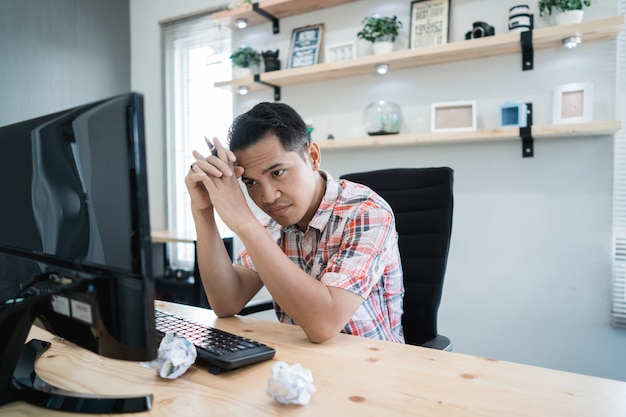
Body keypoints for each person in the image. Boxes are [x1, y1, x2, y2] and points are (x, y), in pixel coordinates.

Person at [185, 102, 404, 344]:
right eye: (250, 183)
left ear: (312, 157)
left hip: (373, 368)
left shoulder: (366, 212)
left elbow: (324, 324)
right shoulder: (272, 223)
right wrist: (203, 210)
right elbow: (227, 302)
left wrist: (245, 223)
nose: (267, 197)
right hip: (299, 367)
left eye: (277, 173)